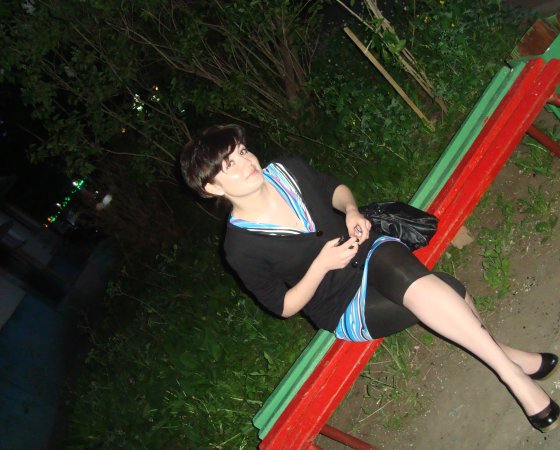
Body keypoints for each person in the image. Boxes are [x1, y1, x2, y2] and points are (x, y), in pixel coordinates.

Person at [179, 124, 559, 432]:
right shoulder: (240, 247)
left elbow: (335, 190)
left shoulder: (287, 170)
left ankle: (515, 379)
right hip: (341, 303)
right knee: (449, 291)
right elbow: (283, 306)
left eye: (243, 151)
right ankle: (511, 359)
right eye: (230, 164)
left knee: (408, 272)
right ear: (212, 187)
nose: (247, 162)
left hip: (369, 249)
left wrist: (350, 211)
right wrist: (320, 266)